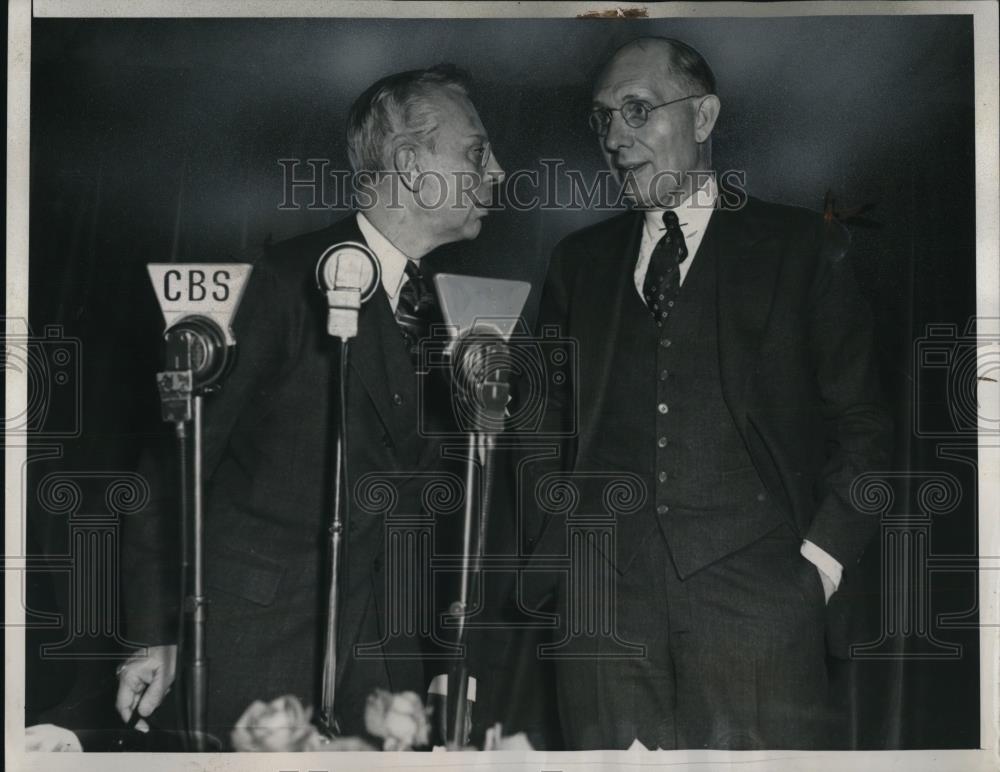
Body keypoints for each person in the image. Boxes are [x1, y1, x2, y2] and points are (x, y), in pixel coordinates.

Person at [115, 64, 504, 746]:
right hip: (257, 651)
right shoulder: (278, 282)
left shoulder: (450, 316)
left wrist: (448, 661)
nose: (497, 171)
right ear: (411, 165)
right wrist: (155, 637)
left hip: (385, 667)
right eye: (477, 152)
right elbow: (172, 469)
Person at [523, 37, 891, 750]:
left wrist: (818, 569)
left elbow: (865, 426)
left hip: (762, 613)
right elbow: (539, 433)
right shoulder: (576, 264)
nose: (616, 137)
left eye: (637, 110)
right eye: (602, 118)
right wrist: (566, 560)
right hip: (604, 617)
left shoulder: (801, 246)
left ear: (704, 116)